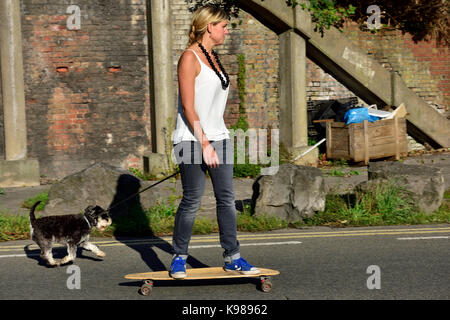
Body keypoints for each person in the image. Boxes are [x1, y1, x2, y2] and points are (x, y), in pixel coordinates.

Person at [169, 4, 259, 279]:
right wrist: (204, 144)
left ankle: (233, 257)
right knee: (192, 200)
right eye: (223, 25)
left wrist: (215, 138)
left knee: (227, 200)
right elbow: (188, 107)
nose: (226, 30)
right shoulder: (189, 58)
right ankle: (179, 258)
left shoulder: (214, 57)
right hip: (191, 140)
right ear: (210, 27)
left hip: (219, 138)